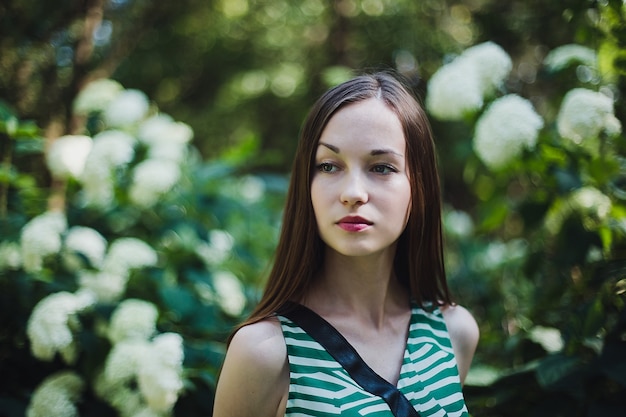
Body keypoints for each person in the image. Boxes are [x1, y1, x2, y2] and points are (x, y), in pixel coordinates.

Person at [213, 71, 479, 417]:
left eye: (381, 167)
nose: (353, 193)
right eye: (328, 166)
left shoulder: (453, 333)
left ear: (419, 186)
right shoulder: (265, 354)